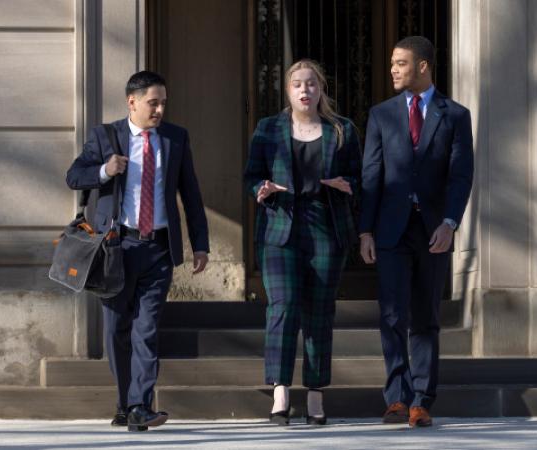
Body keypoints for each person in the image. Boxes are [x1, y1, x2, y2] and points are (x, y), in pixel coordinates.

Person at [64, 70, 210, 432]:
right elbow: (73, 176)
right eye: (152, 102)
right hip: (117, 248)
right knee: (117, 329)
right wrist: (104, 170)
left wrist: (200, 244)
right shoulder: (105, 136)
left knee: (146, 328)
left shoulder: (175, 138)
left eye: (163, 102)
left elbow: (190, 195)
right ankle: (124, 402)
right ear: (132, 102)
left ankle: (140, 406)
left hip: (159, 248)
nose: (159, 109)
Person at [359, 36, 473, 428]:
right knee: (391, 315)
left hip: (433, 231)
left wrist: (450, 222)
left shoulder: (455, 115)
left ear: (422, 66)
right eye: (392, 62)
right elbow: (371, 176)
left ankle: (421, 400)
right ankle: (396, 397)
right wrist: (365, 232)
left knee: (425, 316)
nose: (393, 69)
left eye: (400, 63)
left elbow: (460, 176)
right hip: (390, 231)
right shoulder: (381, 115)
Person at [244, 59, 361, 426]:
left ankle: (314, 393)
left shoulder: (342, 130)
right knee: (284, 306)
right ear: (288, 90)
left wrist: (348, 186)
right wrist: (260, 189)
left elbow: (361, 176)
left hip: (326, 227)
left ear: (321, 88)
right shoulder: (268, 129)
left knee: (320, 312)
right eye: (297, 84)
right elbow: (251, 176)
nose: (305, 90)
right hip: (281, 228)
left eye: (311, 84)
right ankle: (280, 393)